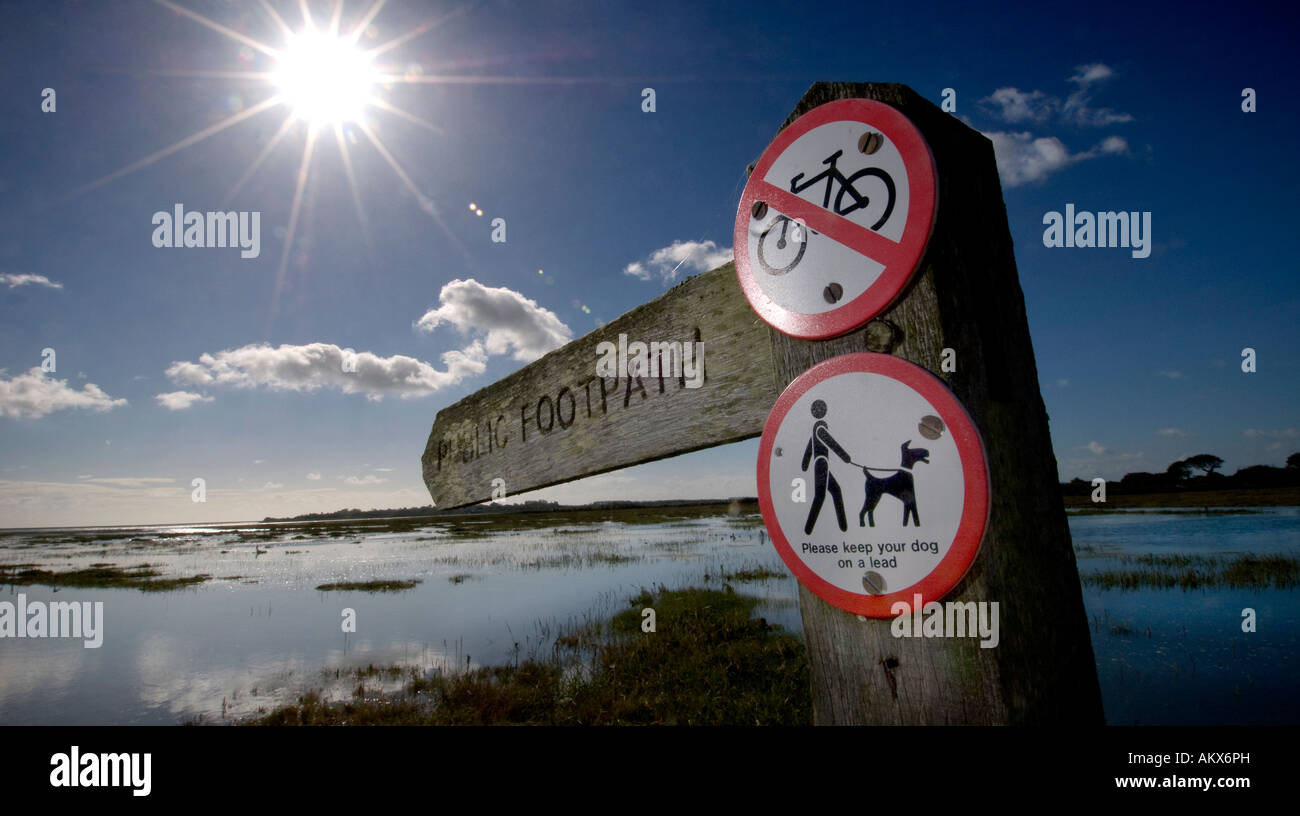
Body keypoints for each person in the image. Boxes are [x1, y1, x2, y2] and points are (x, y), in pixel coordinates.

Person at [801, 399, 852, 534]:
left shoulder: (816, 427)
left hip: (822, 465)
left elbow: (810, 445)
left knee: (836, 491)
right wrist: (846, 458)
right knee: (820, 496)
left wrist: (805, 464)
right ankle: (807, 530)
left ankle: (844, 527)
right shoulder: (820, 428)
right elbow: (831, 443)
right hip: (821, 464)